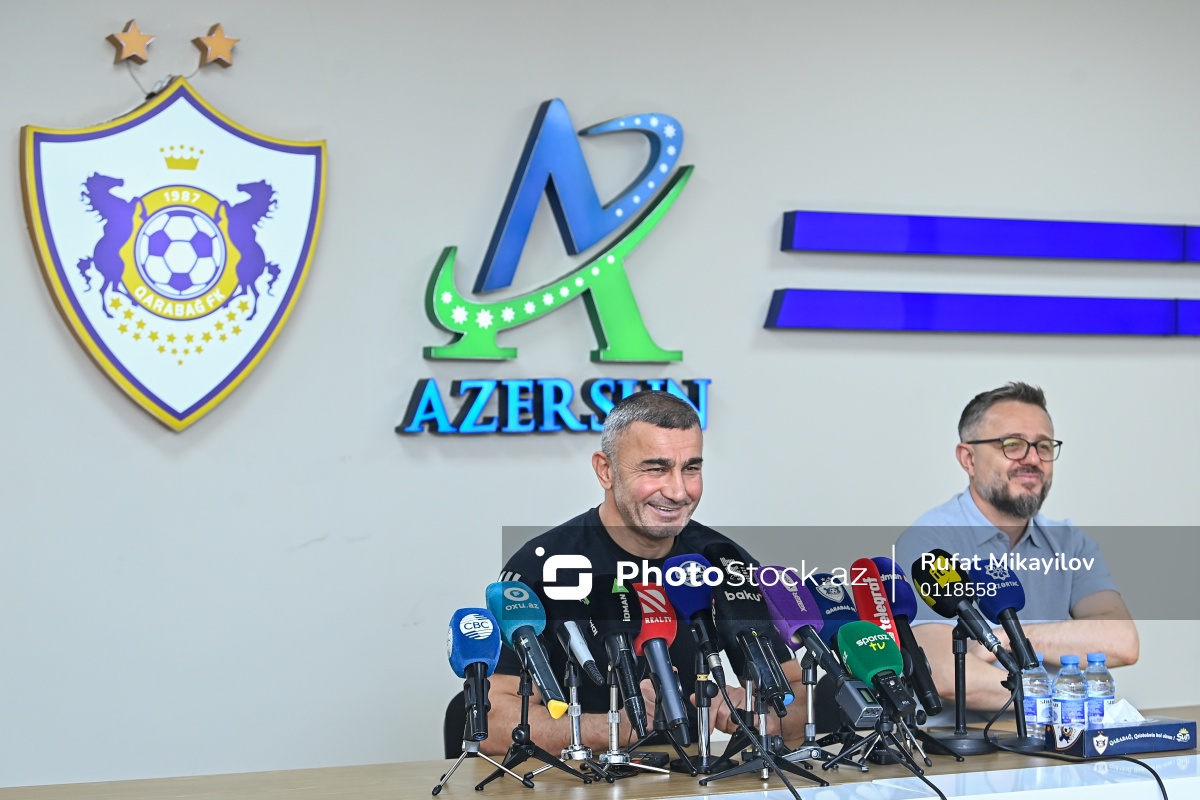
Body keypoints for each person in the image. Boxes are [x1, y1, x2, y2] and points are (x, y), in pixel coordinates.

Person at [484, 391, 807, 756]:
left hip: (691, 778)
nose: (678, 491)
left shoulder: (721, 561)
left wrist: (762, 717)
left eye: (691, 469)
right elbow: (491, 720)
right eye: (655, 469)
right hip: (580, 780)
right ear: (606, 470)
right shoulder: (543, 565)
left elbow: (798, 695)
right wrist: (608, 728)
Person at [894, 382, 1138, 715]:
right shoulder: (929, 543)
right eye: (1013, 444)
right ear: (968, 459)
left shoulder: (1070, 543)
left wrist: (1007, 638)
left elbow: (1123, 642)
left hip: (1049, 737)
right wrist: (1059, 699)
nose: (1033, 459)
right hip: (958, 744)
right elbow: (945, 673)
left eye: (1044, 446)